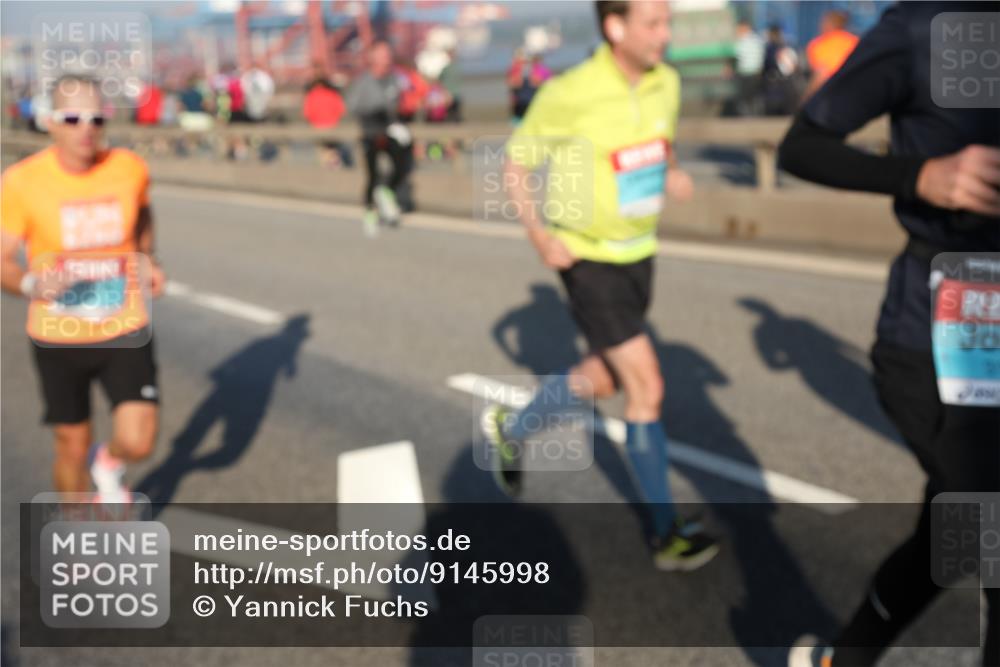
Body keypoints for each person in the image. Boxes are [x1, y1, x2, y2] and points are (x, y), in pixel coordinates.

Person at [779, 3, 999, 666]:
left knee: (949, 538)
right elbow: (802, 145)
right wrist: (919, 176)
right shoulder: (924, 27)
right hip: (948, 337)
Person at [483, 0, 719, 572]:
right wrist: (541, 237)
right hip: (587, 259)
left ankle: (512, 429)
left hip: (640, 253)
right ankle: (666, 534)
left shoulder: (667, 83)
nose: (665, 35)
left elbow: (659, 142)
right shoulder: (571, 91)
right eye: (653, 24)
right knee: (648, 389)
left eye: (668, 23)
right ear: (615, 27)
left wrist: (674, 171)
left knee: (603, 378)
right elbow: (515, 163)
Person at [0, 75, 166, 502]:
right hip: (58, 334)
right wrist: (33, 283)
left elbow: (143, 216)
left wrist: (148, 259)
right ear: (51, 122)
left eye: (97, 117)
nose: (86, 127)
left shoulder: (129, 168)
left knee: (139, 441)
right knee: (70, 446)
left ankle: (108, 461)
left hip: (123, 324)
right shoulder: (22, 181)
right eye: (73, 118)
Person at [346, 41, 413, 233]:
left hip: (391, 130)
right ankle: (370, 210)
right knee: (373, 174)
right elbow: (353, 106)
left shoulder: (395, 79)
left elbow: (400, 102)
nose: (386, 58)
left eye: (388, 54)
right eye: (382, 54)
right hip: (371, 133)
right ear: (372, 57)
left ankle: (387, 194)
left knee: (402, 164)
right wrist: (375, 112)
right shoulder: (362, 82)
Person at [803, 10, 858, 100]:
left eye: (823, 22)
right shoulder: (854, 41)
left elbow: (821, 74)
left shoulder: (819, 44)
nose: (820, 25)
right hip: (854, 89)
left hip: (831, 92)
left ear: (830, 24)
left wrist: (806, 99)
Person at [761, 24, 800, 116]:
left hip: (774, 80)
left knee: (774, 106)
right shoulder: (786, 45)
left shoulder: (771, 48)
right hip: (786, 80)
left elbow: (767, 63)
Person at [731, 20, 765, 116]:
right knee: (751, 95)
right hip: (751, 72)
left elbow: (737, 56)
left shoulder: (743, 41)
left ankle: (749, 115)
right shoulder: (757, 40)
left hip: (747, 72)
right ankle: (752, 115)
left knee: (746, 96)